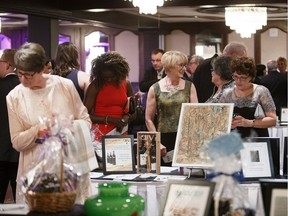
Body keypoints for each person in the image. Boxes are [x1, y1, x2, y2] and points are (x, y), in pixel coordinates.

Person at [6, 42, 92, 203]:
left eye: (29, 75)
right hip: (34, 174)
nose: (23, 80)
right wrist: (37, 131)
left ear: (43, 68)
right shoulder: (14, 97)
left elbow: (85, 121)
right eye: (20, 74)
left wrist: (67, 128)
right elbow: (16, 142)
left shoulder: (64, 86)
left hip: (69, 169)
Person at [145, 50, 198, 166]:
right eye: (181, 65)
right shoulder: (155, 88)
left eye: (185, 65)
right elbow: (148, 119)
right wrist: (157, 142)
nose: (184, 69)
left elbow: (196, 114)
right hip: (164, 138)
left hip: (185, 137)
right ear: (169, 67)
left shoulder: (190, 86)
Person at [83, 51, 134, 156]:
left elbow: (133, 111)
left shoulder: (126, 84)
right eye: (105, 77)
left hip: (120, 131)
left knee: (122, 166)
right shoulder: (95, 85)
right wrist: (110, 119)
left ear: (119, 73)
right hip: (100, 133)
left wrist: (125, 119)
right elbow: (84, 115)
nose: (109, 80)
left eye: (112, 77)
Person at [219, 56, 277, 138]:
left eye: (243, 77)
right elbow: (219, 119)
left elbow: (273, 120)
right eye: (235, 76)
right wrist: (228, 124)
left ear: (251, 77)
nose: (238, 81)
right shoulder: (227, 93)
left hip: (256, 139)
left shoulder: (261, 91)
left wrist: (249, 123)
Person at [0, 49, 20, 203]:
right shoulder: (24, 87)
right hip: (21, 150)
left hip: (0, 149)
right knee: (20, 197)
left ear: (7, 65)